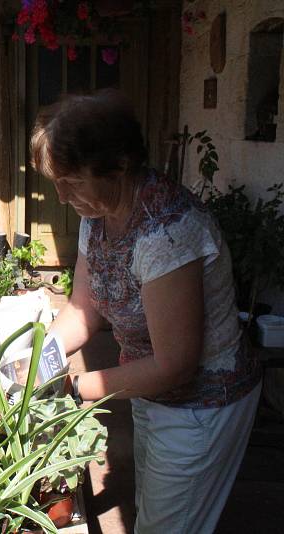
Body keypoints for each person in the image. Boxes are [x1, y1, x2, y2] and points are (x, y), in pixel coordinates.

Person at [32, 91, 262, 534]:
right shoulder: (97, 212)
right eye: (55, 181)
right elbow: (84, 310)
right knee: (153, 509)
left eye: (72, 181)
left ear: (119, 164)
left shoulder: (166, 233)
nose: (60, 196)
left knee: (168, 525)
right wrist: (34, 360)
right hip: (150, 390)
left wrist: (76, 386)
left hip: (202, 404)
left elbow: (175, 365)